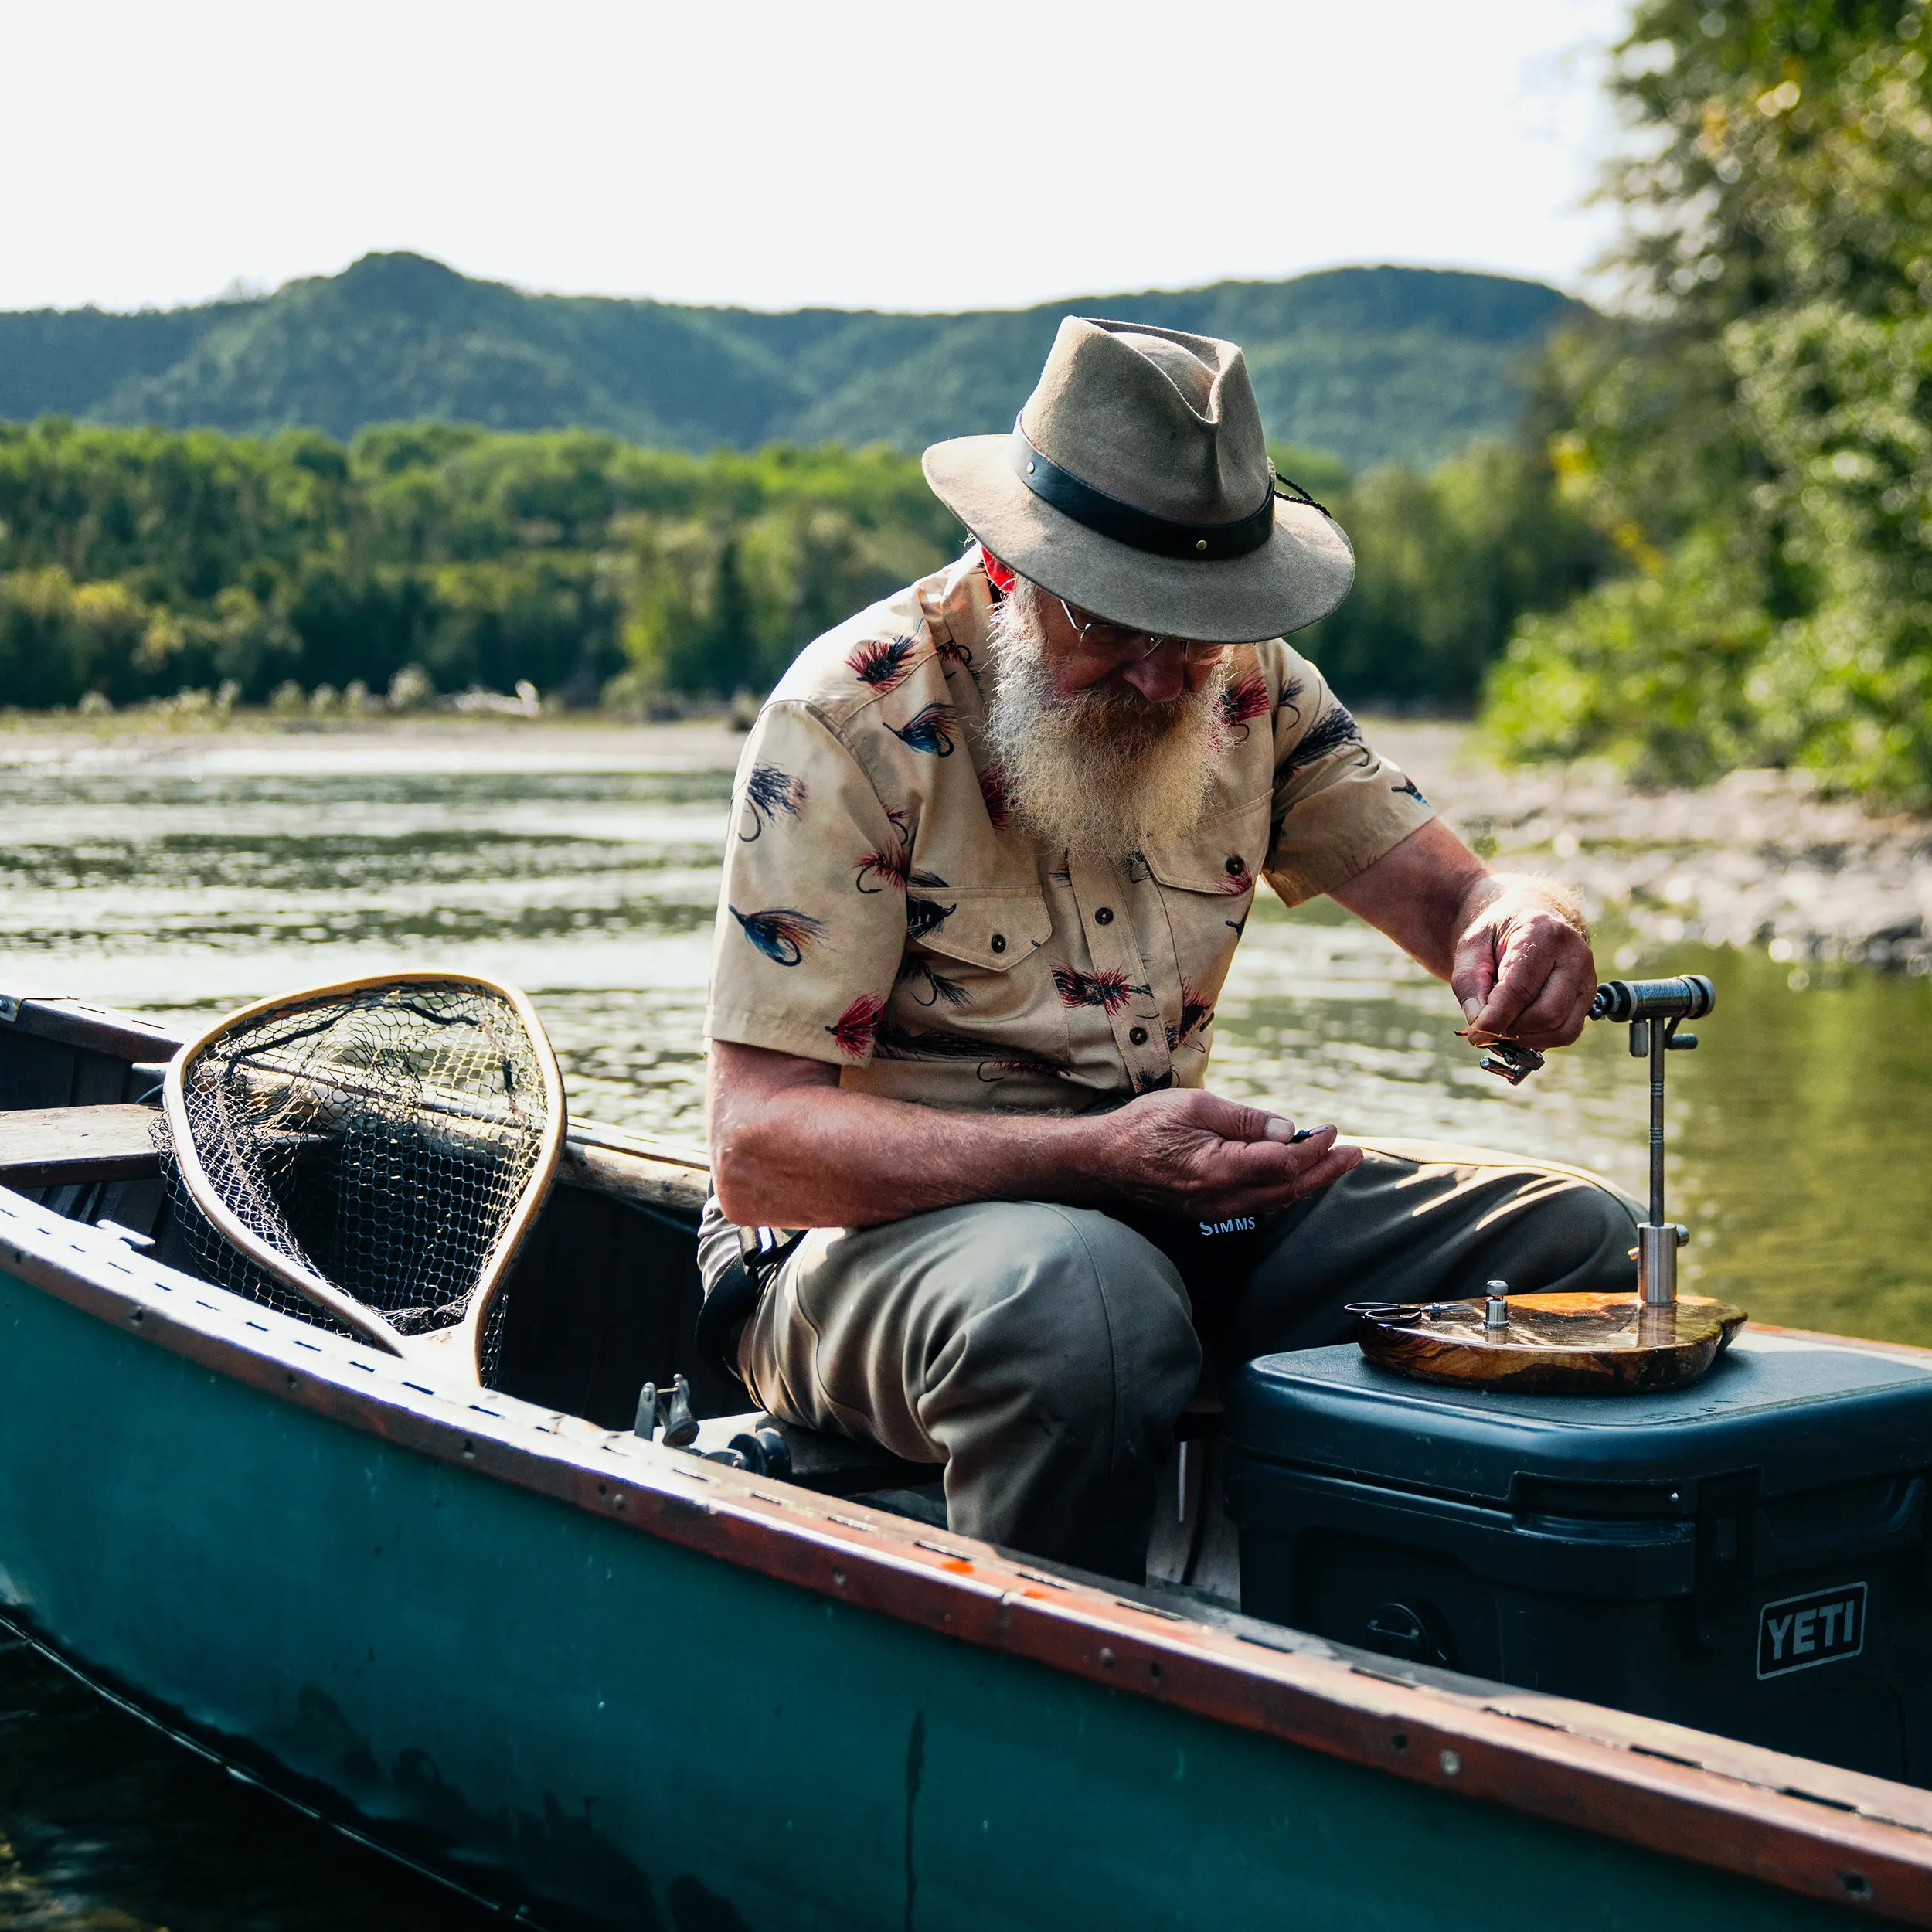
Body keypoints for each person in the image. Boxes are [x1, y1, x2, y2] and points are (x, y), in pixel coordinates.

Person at [698, 316, 1636, 1579]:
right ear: (1008, 565)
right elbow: (760, 1154)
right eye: (1119, 625)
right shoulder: (848, 714)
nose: (1163, 673)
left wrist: (1531, 921)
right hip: (853, 1256)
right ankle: (1048, 1700)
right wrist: (1095, 1164)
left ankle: (1379, 1629)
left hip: (1154, 1217)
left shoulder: (1247, 684)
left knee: (1578, 1241)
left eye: (1195, 626)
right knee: (1084, 1304)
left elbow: (1455, 900)